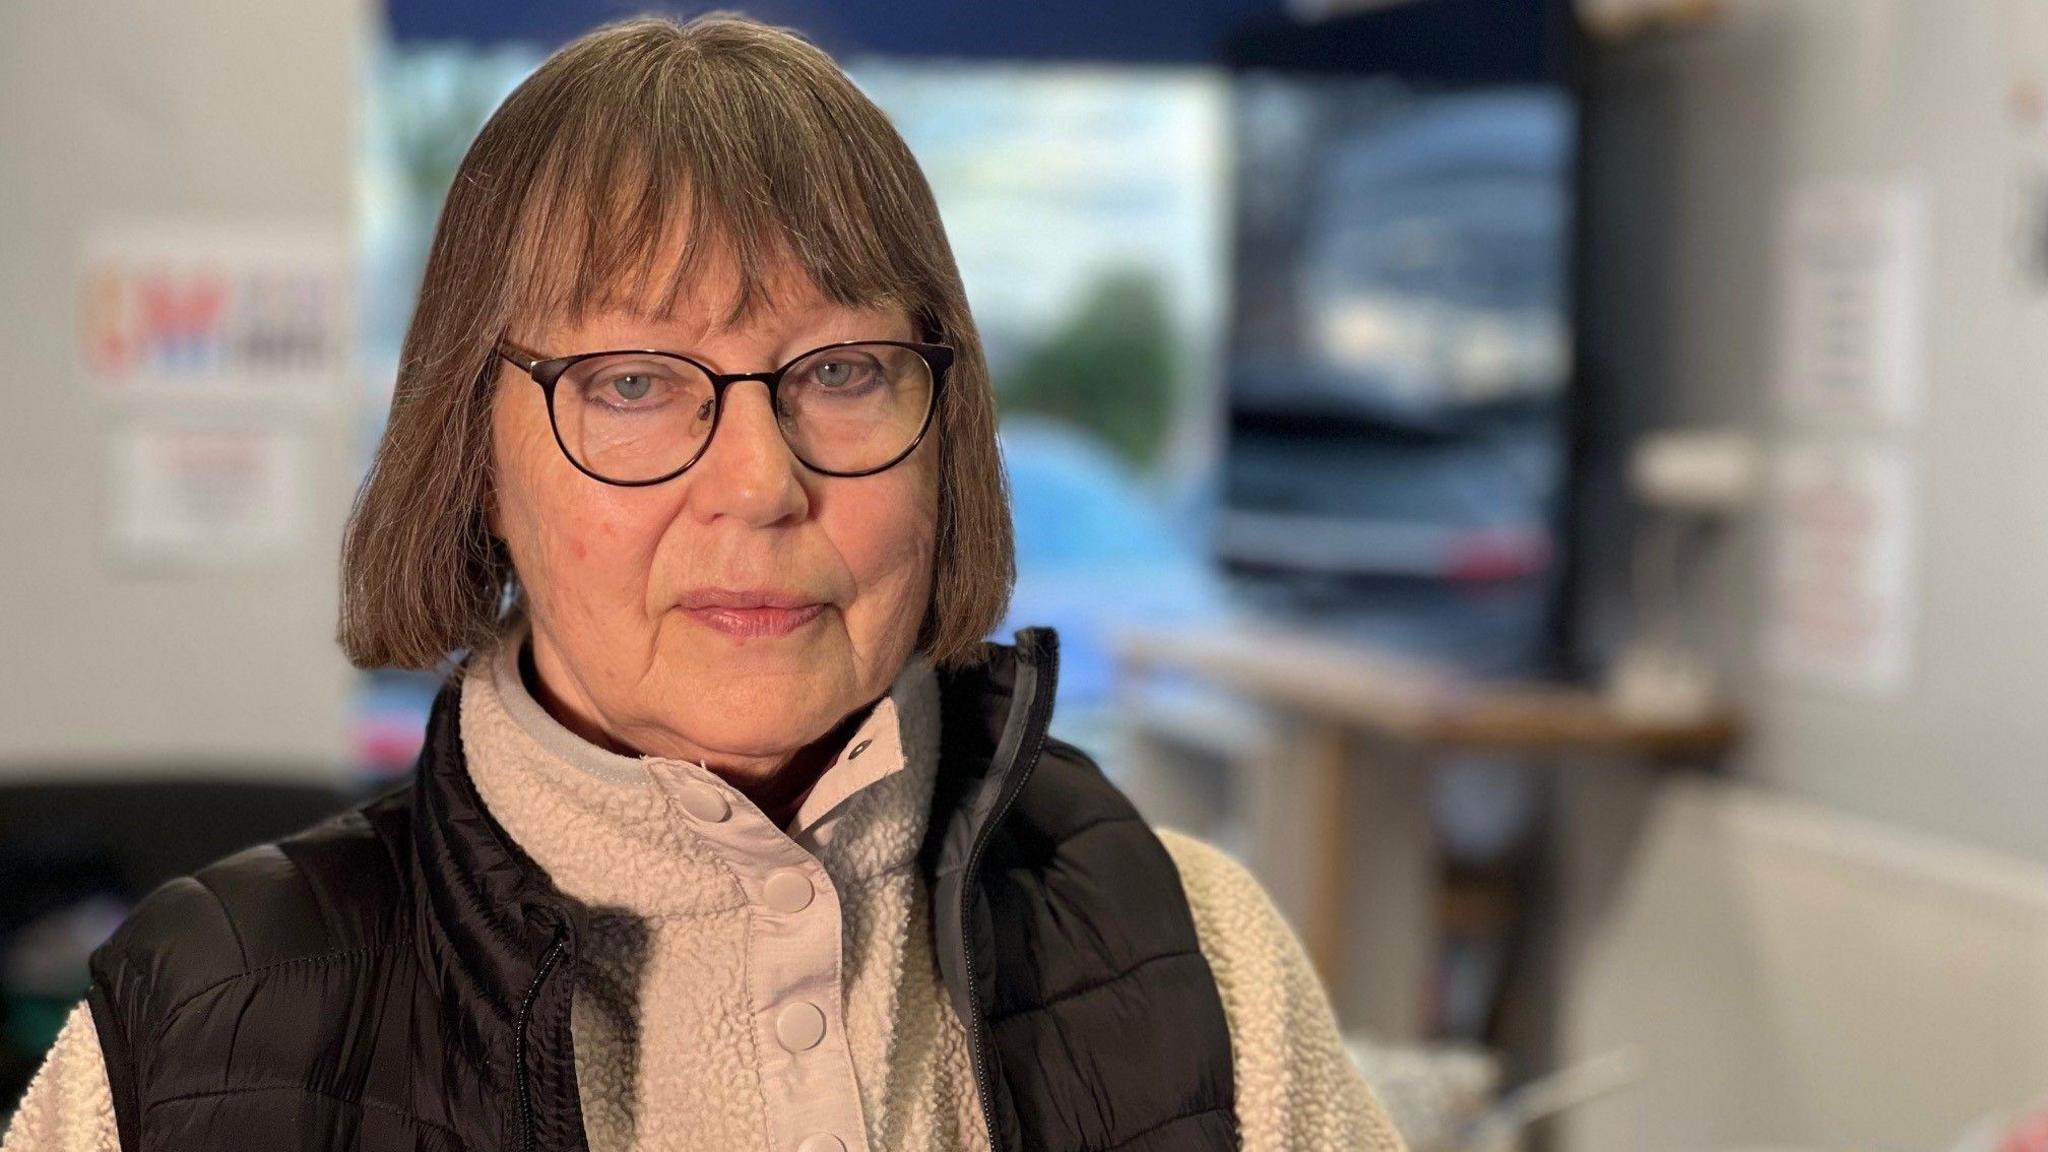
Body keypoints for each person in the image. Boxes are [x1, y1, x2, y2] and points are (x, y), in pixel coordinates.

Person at [1, 12, 1405, 1152]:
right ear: (471, 455)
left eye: (842, 371)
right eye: (630, 382)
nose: (755, 481)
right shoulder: (189, 1039)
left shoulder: (1197, 959)